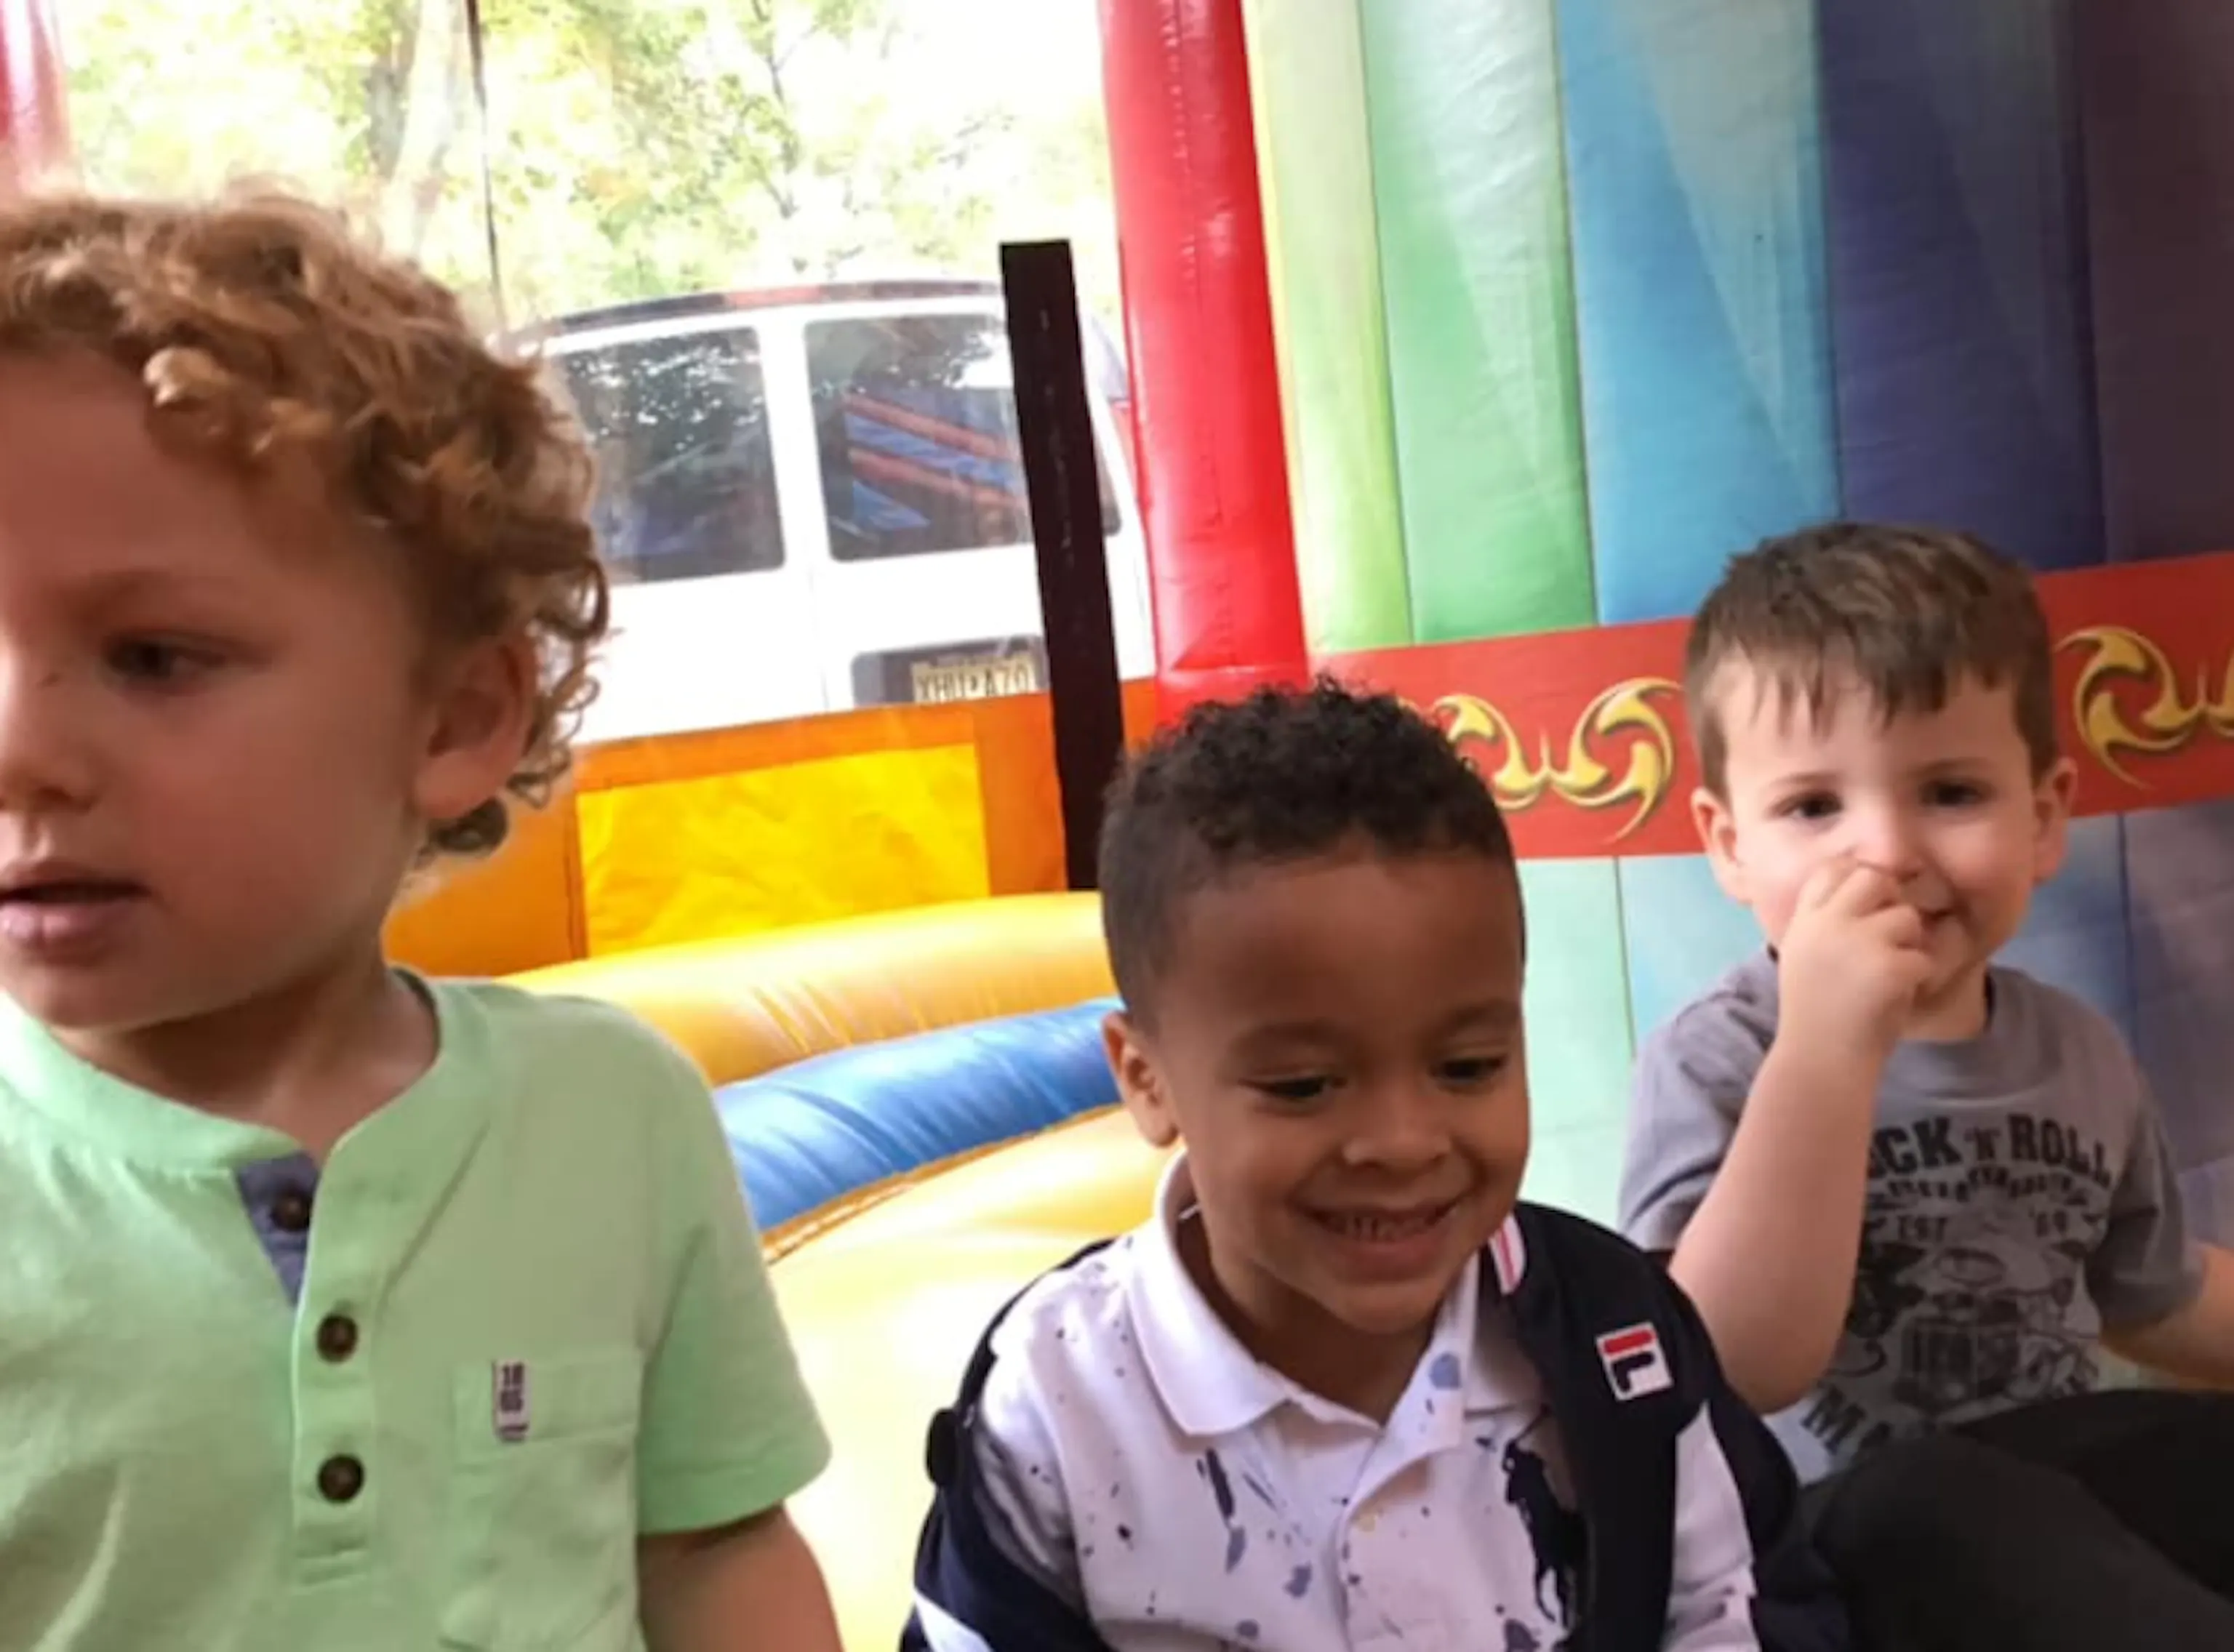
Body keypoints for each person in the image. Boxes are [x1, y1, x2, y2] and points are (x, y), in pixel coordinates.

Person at [0, 192, 841, 1651]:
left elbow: (713, 1551)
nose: (21, 748)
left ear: (452, 718)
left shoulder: (609, 1114)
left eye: (153, 657)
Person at [906, 682, 1848, 1651]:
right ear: (1147, 1080)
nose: (1403, 1141)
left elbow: (1738, 1604)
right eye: (1305, 1085)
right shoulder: (1057, 1401)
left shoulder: (1612, 1330)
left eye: (1467, 1067)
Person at [1619, 522, 2234, 1649]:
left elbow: (2156, 1296)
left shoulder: (2080, 1051)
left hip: (2057, 1508)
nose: (1887, 851)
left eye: (1950, 792)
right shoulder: (1719, 1057)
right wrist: (1826, 1048)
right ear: (1730, 844)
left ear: (2042, 818)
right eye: (1814, 807)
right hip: (1818, 1537)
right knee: (1933, 1496)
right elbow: (1726, 1365)